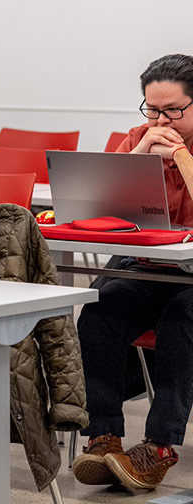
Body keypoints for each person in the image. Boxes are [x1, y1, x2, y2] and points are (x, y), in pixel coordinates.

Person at [73, 53, 193, 491]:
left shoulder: (179, 145)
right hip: (150, 266)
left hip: (191, 281)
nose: (162, 119)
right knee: (99, 310)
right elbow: (99, 209)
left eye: (173, 110)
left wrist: (179, 154)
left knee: (182, 319)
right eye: (152, 108)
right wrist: (141, 153)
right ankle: (104, 438)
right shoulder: (139, 138)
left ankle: (159, 447)